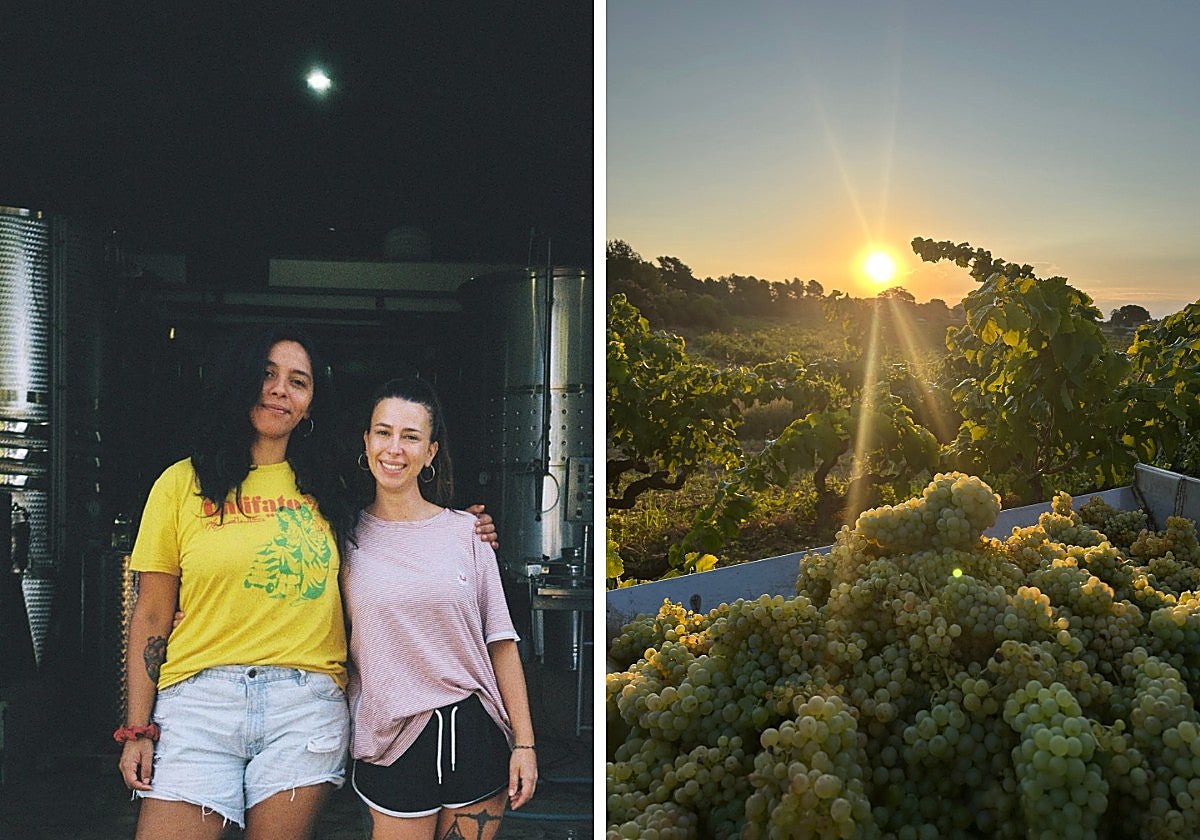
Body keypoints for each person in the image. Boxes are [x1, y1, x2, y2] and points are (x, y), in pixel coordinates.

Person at [116, 328, 497, 840]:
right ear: (240, 383)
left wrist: (465, 530)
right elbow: (152, 614)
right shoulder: (182, 482)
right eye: (267, 375)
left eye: (298, 381)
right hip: (198, 701)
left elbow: (403, 508)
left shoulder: (333, 482)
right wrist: (137, 729)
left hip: (303, 704)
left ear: (310, 403)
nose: (279, 390)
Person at [342, 377, 536, 840]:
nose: (394, 448)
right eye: (383, 432)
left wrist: (524, 743)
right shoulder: (340, 538)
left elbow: (501, 643)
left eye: (410, 436)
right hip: (391, 741)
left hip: (474, 736)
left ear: (430, 452)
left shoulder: (467, 533)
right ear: (366, 442)